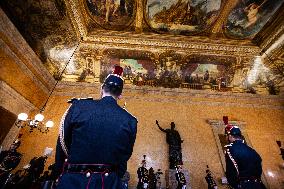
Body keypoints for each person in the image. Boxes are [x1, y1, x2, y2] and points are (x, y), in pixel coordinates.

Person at [55, 65, 138, 189]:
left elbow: (63, 143)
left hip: (72, 180)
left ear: (102, 88)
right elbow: (125, 155)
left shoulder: (78, 106)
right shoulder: (130, 120)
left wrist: (58, 172)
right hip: (109, 182)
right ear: (120, 95)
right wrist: (116, 174)